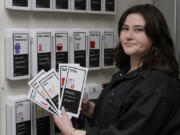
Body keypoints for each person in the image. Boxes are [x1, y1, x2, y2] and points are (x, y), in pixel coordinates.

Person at [53, 4, 180, 135]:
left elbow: (128, 132)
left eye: (138, 30)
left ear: (155, 36)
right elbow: (123, 115)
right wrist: (89, 108)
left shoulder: (159, 84)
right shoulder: (124, 73)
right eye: (125, 28)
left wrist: (71, 131)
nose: (128, 36)